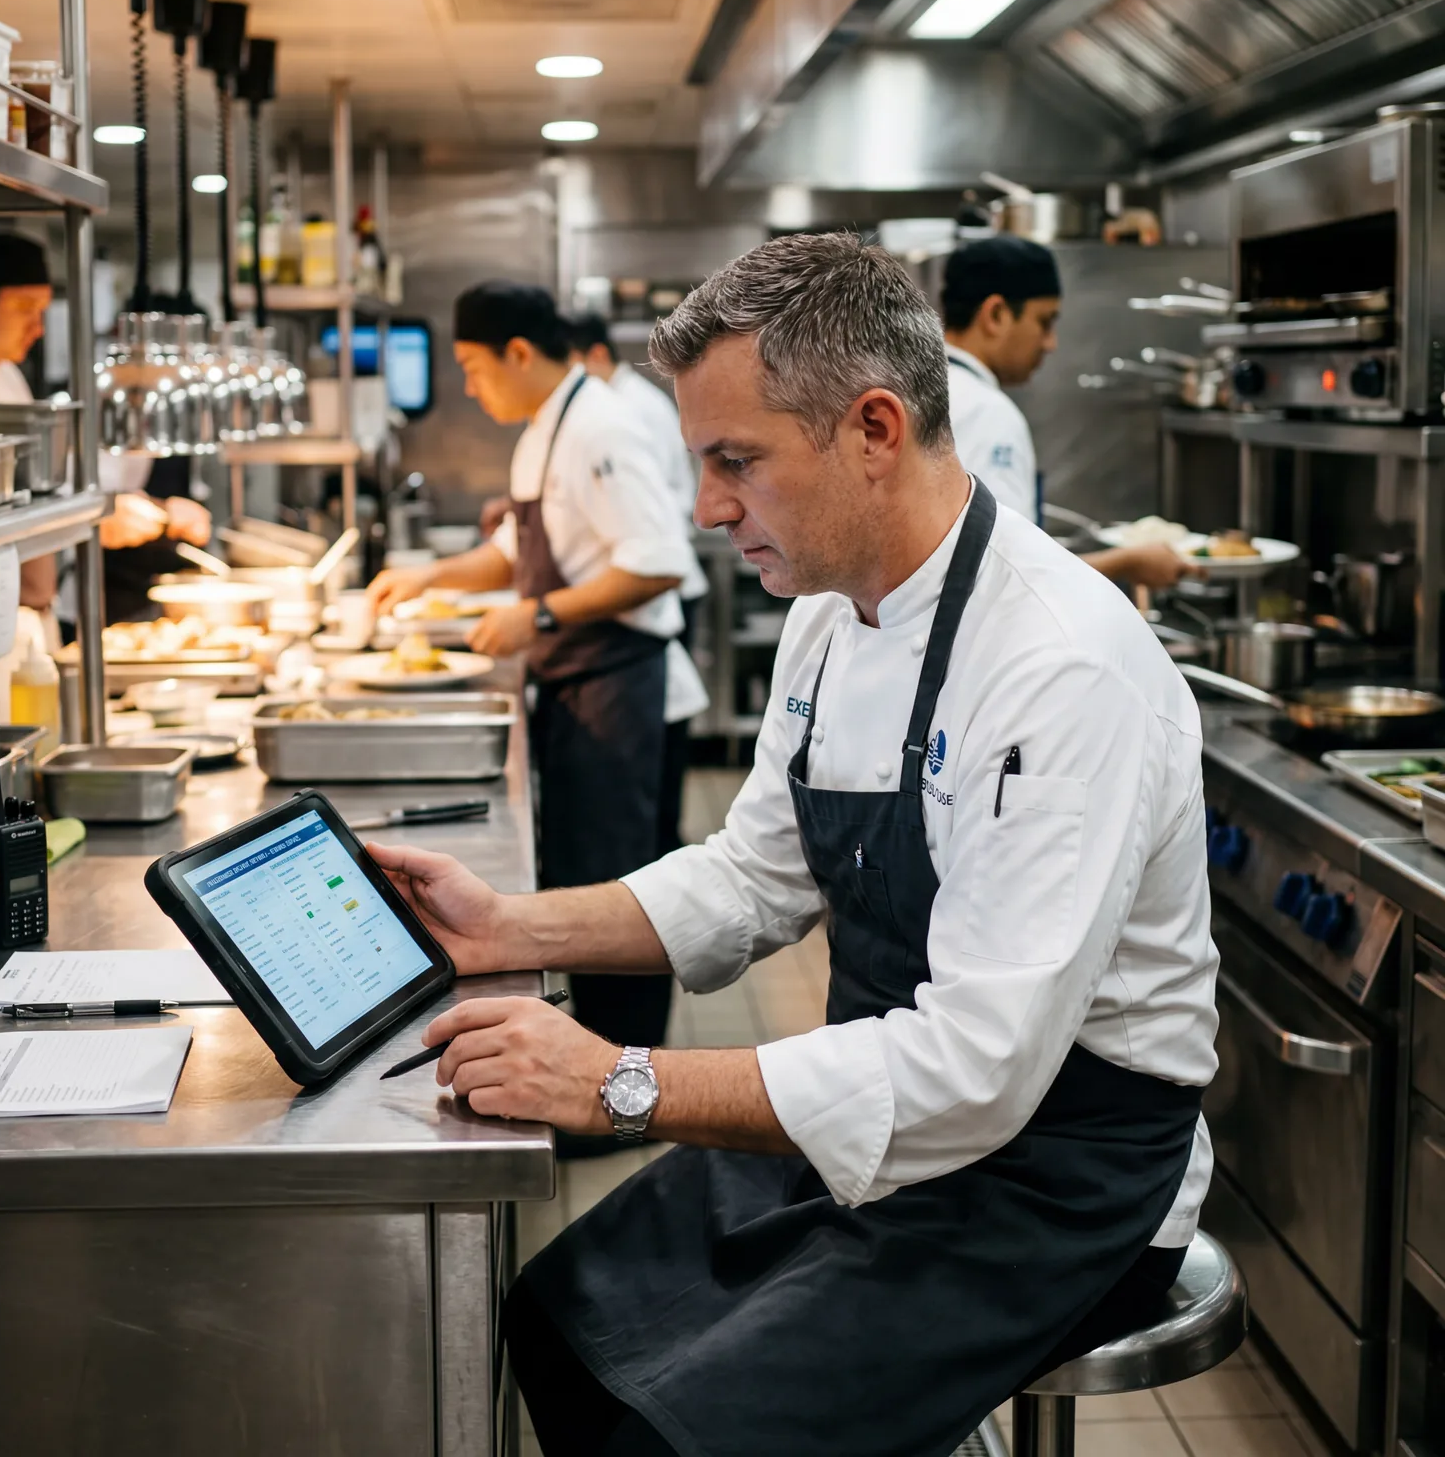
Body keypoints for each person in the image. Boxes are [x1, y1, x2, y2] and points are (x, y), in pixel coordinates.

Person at [372, 235, 1218, 1457]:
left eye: (737, 461)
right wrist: (508, 925)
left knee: (671, 1433)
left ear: (874, 429)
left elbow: (977, 1070)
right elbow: (754, 875)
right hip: (880, 1116)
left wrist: (621, 1080)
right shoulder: (830, 615)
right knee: (555, 1321)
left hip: (1054, 1177)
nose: (708, 508)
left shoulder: (1058, 666)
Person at [367, 281, 694, 1059]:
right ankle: (592, 1059)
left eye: (474, 369)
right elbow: (519, 553)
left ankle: (625, 1072)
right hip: (576, 684)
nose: (470, 387)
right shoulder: (546, 427)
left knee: (615, 888)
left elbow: (657, 563)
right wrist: (431, 576)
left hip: (616, 690)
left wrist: (538, 615)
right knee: (581, 877)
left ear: (518, 353)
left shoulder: (600, 427)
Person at [0, 231, 214, 631]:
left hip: (10, 611)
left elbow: (39, 476)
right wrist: (91, 515)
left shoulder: (3, 369)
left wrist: (116, 506)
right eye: (26, 309)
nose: (38, 328)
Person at [941, 234, 1189, 589]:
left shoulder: (928, 390)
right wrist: (1126, 562)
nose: (1051, 344)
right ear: (995, 315)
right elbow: (1004, 573)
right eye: (1044, 322)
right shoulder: (989, 414)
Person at [568, 312, 709, 855]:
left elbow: (653, 531)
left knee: (661, 733)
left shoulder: (624, 412)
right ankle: (663, 842)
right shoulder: (612, 406)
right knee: (661, 732)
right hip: (652, 582)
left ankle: (663, 846)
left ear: (596, 355)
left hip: (662, 588)